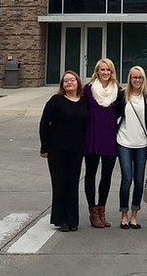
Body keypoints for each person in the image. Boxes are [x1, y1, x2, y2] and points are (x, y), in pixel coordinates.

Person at [39, 70, 88, 232]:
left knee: (73, 183)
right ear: (62, 85)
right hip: (57, 149)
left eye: (72, 80)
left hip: (77, 150)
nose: (69, 83)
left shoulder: (84, 101)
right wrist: (44, 146)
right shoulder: (56, 101)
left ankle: (72, 220)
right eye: (66, 81)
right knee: (60, 184)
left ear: (77, 83)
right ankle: (61, 220)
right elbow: (44, 123)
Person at [83, 58, 120, 228]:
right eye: (102, 70)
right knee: (90, 174)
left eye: (109, 70)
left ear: (112, 73)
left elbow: (121, 114)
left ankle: (102, 210)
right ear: (97, 71)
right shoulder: (88, 90)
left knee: (106, 176)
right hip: (92, 136)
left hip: (110, 138)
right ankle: (92, 211)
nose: (105, 73)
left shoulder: (118, 92)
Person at [116, 65, 147, 230]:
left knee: (139, 181)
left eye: (140, 77)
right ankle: (123, 214)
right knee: (126, 179)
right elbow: (114, 116)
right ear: (129, 79)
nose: (137, 80)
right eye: (134, 77)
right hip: (124, 141)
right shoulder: (122, 96)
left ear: (143, 79)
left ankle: (134, 215)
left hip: (142, 144)